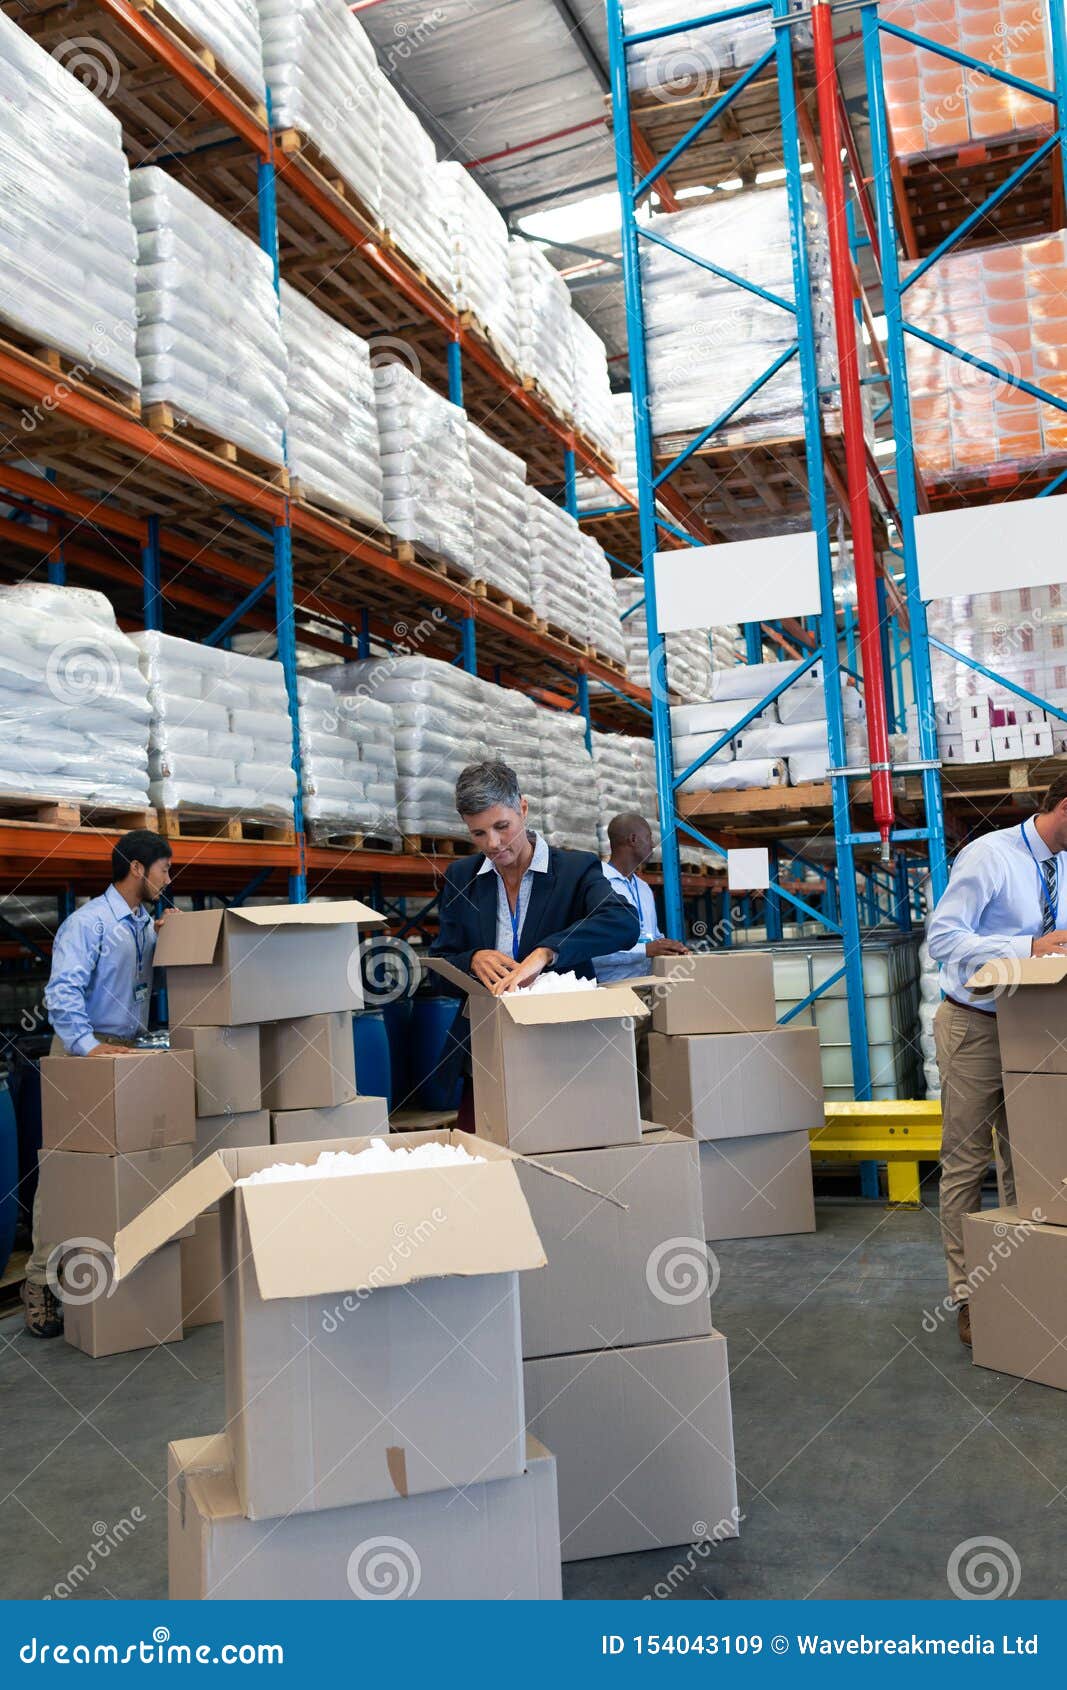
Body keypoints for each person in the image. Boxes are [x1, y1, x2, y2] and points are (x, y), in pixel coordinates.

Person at [926, 773, 1067, 1349]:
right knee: (966, 1163)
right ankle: (968, 1295)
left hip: (1032, 1027)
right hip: (976, 1026)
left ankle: (1020, 1282)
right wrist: (1025, 947)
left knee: (1028, 1162)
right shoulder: (990, 856)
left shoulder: (1064, 864)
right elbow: (943, 938)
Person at [22, 830, 175, 1339]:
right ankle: (41, 1282)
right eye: (163, 871)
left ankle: (108, 1275)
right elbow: (61, 992)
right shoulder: (86, 924)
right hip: (83, 1052)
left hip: (124, 1051)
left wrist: (168, 932)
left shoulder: (141, 926)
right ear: (137, 868)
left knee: (118, 1168)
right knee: (69, 1170)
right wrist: (87, 1048)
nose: (167, 880)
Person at [430, 761, 640, 1126]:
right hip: (487, 1054)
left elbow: (622, 923)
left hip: (564, 1052)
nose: (493, 844)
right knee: (484, 1160)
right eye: (478, 834)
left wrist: (547, 952)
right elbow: (438, 968)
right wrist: (471, 960)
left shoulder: (576, 870)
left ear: (523, 809)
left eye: (501, 827)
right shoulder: (461, 878)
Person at [593, 812, 688, 984]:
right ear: (633, 839)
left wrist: (671, 948)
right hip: (610, 990)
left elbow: (653, 937)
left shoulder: (644, 889)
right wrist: (644, 950)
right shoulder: (597, 886)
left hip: (647, 985)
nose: (653, 844)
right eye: (649, 837)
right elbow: (591, 952)